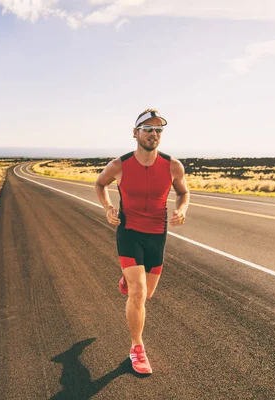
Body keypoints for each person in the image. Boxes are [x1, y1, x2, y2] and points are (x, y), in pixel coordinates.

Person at [94, 108, 190, 374]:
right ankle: (137, 348)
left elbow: (183, 192)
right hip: (129, 231)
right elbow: (100, 185)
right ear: (135, 133)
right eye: (148, 129)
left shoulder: (172, 165)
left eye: (159, 129)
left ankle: (129, 278)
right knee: (138, 293)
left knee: (147, 293)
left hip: (157, 234)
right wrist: (109, 208)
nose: (154, 134)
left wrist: (182, 209)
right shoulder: (119, 165)